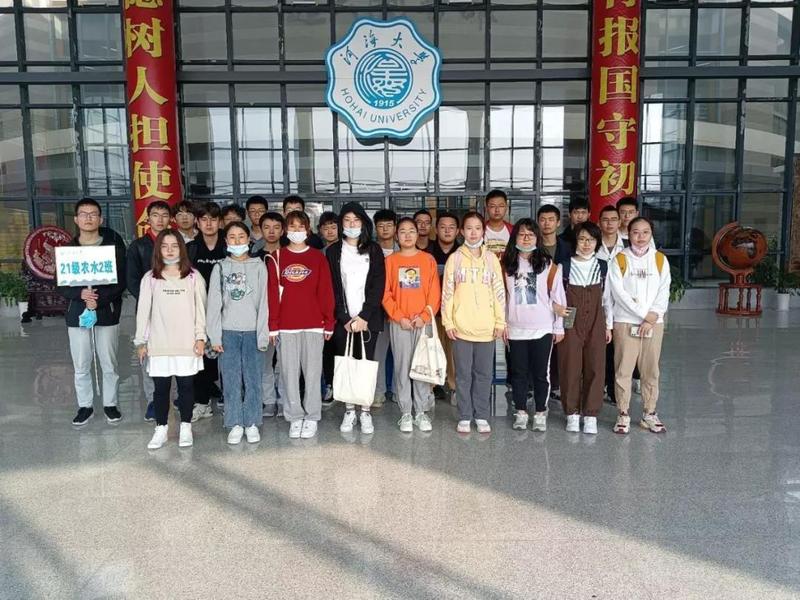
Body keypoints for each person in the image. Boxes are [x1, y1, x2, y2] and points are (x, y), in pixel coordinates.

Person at [134, 230, 207, 449]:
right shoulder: (150, 278)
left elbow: (201, 310)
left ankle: (186, 427)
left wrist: (200, 337)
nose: (169, 250)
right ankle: (161, 429)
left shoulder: (193, 277)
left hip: (187, 343)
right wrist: (141, 341)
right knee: (161, 389)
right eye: (164, 246)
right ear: (158, 250)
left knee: (186, 387)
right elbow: (143, 312)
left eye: (174, 246)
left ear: (181, 248)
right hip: (159, 344)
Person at [58, 198, 127, 427]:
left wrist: (100, 299)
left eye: (93, 214)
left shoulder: (112, 249)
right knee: (81, 363)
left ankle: (110, 404)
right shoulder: (68, 251)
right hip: (77, 314)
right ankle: (85, 406)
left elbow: (121, 282)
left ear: (100, 219)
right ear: (76, 219)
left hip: (106, 312)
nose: (88, 218)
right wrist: (80, 294)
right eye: (83, 214)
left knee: (109, 362)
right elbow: (60, 284)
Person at [267, 211, 335, 439]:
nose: (296, 231)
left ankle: (312, 416)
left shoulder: (318, 258)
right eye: (292, 226)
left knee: (313, 373)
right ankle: (294, 416)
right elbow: (271, 294)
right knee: (289, 374)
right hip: (286, 326)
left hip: (314, 325)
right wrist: (273, 325)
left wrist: (329, 322)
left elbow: (325, 291)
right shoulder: (276, 257)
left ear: (308, 229)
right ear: (286, 230)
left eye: (301, 226)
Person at [442, 212, 506, 434]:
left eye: (477, 228)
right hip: (461, 328)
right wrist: (448, 322)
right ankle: (464, 415)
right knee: (462, 375)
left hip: (486, 329)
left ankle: (481, 415)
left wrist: (500, 321)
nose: (473, 232)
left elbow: (499, 292)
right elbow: (447, 293)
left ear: (483, 231)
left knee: (484, 375)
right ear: (462, 231)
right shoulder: (455, 259)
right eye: (469, 228)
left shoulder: (491, 259)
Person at [326, 202, 386, 434]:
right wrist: (344, 317)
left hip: (368, 319)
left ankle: (365, 411)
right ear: (341, 223)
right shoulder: (333, 251)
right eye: (347, 220)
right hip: (343, 320)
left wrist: (364, 315)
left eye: (356, 220)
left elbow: (378, 285)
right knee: (346, 364)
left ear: (363, 222)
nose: (352, 224)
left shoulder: (374, 249)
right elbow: (332, 287)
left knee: (365, 365)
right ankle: (350, 410)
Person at [207, 222, 270, 445]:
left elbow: (264, 303)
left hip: (253, 332)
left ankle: (252, 422)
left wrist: (263, 334)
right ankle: (234, 422)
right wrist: (214, 336)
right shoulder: (220, 268)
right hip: (228, 333)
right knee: (231, 380)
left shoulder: (259, 266)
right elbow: (213, 305)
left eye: (241, 236)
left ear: (248, 239)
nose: (237, 241)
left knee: (253, 379)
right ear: (226, 241)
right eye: (232, 237)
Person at [501, 219, 566, 432]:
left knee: (540, 374)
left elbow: (559, 298)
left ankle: (540, 412)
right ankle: (520, 411)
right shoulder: (505, 265)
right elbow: (501, 298)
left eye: (531, 234)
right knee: (518, 373)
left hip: (542, 328)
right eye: (522, 234)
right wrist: (502, 324)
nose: (526, 238)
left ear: (537, 238)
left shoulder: (548, 266)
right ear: (515, 238)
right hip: (515, 328)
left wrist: (558, 327)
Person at [608, 217, 671, 434]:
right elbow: (618, 293)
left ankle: (649, 413)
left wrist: (653, 316)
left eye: (645, 232)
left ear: (651, 234)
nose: (640, 237)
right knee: (623, 369)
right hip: (626, 322)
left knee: (650, 370)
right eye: (635, 232)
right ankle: (623, 413)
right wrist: (644, 315)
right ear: (628, 234)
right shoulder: (620, 259)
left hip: (654, 323)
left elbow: (664, 290)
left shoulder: (660, 260)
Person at [383, 217, 441, 432]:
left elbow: (434, 293)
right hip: (400, 323)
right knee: (402, 367)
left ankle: (421, 412)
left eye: (411, 231)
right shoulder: (390, 261)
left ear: (418, 234)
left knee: (422, 367)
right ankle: (406, 412)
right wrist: (399, 317)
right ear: (397, 236)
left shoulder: (428, 260)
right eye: (403, 231)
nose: (407, 235)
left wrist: (424, 316)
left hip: (422, 323)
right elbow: (385, 293)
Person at [557, 222, 613, 435]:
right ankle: (571, 413)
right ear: (575, 242)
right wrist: (558, 326)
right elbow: (557, 298)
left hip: (597, 320)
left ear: (597, 242)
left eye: (591, 239)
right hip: (570, 319)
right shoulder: (564, 266)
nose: (586, 244)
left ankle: (590, 415)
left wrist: (608, 326)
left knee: (596, 366)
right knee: (570, 366)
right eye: (582, 239)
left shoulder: (604, 267)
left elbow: (608, 299)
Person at [126, 200, 172, 422]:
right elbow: (132, 280)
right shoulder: (138, 246)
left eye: (164, 215)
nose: (160, 219)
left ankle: (175, 397)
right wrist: (150, 301)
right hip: (149, 310)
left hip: (174, 309)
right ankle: (153, 399)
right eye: (155, 215)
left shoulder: (175, 243)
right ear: (148, 218)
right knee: (149, 354)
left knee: (175, 351)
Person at [187, 202, 227, 421]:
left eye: (213, 219)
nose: (209, 223)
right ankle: (202, 403)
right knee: (200, 357)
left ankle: (230, 399)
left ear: (220, 222)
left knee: (227, 358)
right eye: (204, 219)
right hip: (199, 312)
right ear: (197, 222)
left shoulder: (229, 245)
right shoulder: (191, 249)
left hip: (227, 312)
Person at [537, 204, 572, 400]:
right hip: (538, 302)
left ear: (558, 223)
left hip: (564, 300)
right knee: (538, 344)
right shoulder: (532, 246)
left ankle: (556, 385)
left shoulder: (568, 247)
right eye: (543, 219)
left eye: (551, 219)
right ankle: (535, 385)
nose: (547, 223)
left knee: (561, 342)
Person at [426, 211, 460, 401]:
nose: (447, 231)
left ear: (458, 231)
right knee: (432, 350)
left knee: (455, 354)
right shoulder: (427, 254)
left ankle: (454, 387)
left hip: (456, 314)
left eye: (451, 227)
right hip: (433, 312)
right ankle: (431, 388)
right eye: (443, 227)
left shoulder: (463, 253)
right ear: (436, 230)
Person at [596, 205, 627, 406]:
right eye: (605, 220)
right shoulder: (591, 245)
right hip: (597, 307)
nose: (609, 223)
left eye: (613, 219)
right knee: (600, 351)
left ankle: (615, 391)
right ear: (599, 223)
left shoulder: (628, 248)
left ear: (619, 222)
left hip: (622, 308)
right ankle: (599, 389)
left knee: (619, 351)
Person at [257, 211, 286, 417]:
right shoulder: (254, 258)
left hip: (287, 317)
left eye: (276, 227)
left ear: (282, 230)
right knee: (264, 362)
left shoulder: (289, 255)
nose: (272, 232)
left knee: (285, 362)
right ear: (260, 230)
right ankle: (268, 400)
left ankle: (284, 399)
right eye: (267, 227)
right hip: (262, 318)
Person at [372, 209, 398, 407]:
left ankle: (399, 391)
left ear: (395, 228)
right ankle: (378, 392)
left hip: (400, 311)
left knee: (401, 354)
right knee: (377, 354)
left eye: (389, 225)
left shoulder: (404, 249)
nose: (385, 229)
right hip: (377, 312)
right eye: (381, 225)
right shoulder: (369, 251)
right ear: (375, 228)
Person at [483, 189, 513, 257]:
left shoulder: (513, 230)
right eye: (493, 206)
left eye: (501, 206)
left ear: (506, 208)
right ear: (486, 208)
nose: (497, 210)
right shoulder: (479, 230)